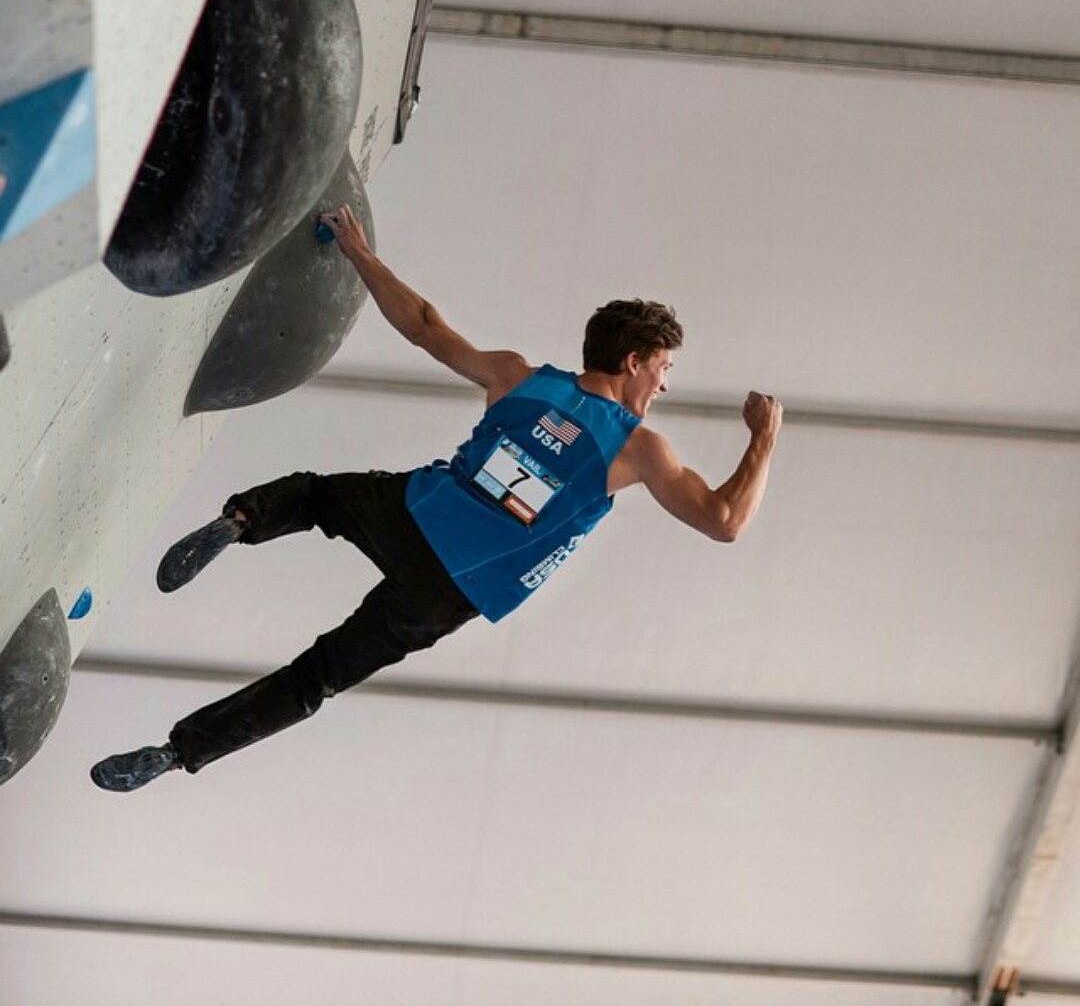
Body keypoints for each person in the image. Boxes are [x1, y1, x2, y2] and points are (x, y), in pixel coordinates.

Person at [90, 204, 783, 792]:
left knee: (313, 496)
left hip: (416, 512)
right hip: (451, 590)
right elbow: (724, 521)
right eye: (663, 369)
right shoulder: (638, 448)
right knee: (316, 677)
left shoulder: (521, 378)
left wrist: (357, 249)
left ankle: (238, 521)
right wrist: (764, 439)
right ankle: (177, 753)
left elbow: (423, 324)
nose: (664, 386)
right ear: (633, 361)